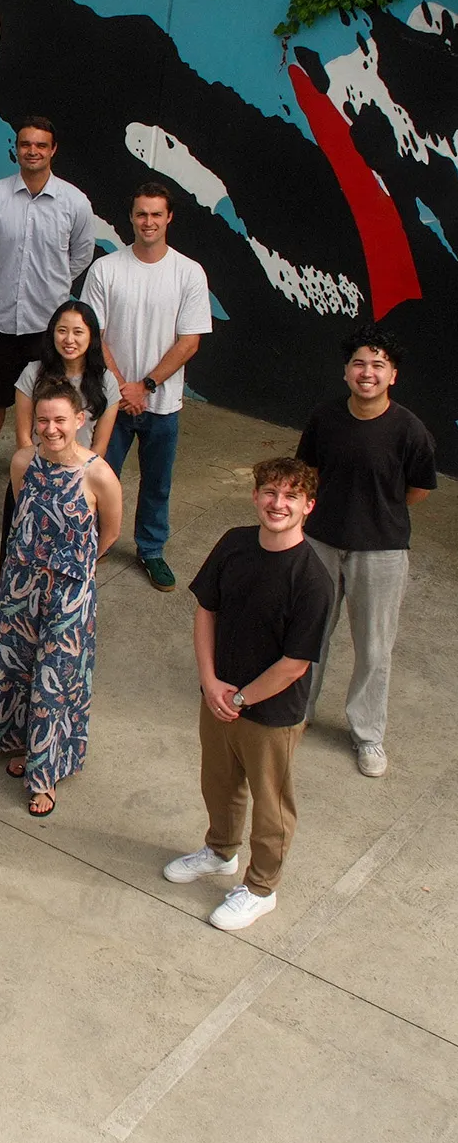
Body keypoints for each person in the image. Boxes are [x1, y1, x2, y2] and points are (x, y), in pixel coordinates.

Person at [164, 457, 335, 932]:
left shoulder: (313, 580)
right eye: (270, 492)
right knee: (218, 783)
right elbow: (206, 609)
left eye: (291, 496)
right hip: (219, 696)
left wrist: (239, 700)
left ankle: (261, 889)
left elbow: (294, 664)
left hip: (270, 713)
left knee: (271, 805)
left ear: (308, 506)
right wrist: (210, 681)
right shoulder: (234, 543)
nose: (278, 504)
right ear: (256, 496)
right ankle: (220, 852)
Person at [0, 379, 121, 816]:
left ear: (80, 420)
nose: (51, 429)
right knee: (17, 669)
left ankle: (46, 776)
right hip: (21, 585)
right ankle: (22, 744)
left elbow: (110, 532)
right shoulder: (23, 462)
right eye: (43, 420)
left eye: (60, 420)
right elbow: (25, 514)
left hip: (69, 594)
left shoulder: (98, 474)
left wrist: (75, 568)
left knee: (54, 680)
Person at [295, 324, 437, 778]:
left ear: (393, 375)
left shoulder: (410, 431)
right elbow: (308, 474)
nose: (367, 372)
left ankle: (368, 735)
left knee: (375, 648)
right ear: (346, 371)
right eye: (359, 363)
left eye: (378, 365)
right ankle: (297, 711)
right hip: (320, 541)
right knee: (308, 633)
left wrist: (376, 514)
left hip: (382, 550)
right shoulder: (325, 418)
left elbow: (417, 490)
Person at [82, 181, 212, 593]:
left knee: (157, 484)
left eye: (157, 214)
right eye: (142, 214)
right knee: (100, 477)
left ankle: (151, 550)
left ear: (169, 217)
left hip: (163, 404)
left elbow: (189, 341)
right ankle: (92, 544)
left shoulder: (188, 272)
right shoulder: (106, 269)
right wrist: (122, 388)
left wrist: (146, 386)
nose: (148, 221)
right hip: (111, 402)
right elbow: (92, 334)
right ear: (131, 217)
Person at [0, 117, 95, 499]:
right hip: (0, 318)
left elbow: (80, 255)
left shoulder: (74, 202)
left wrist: (51, 284)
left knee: (49, 396)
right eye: (25, 144)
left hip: (47, 324)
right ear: (16, 148)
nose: (32, 151)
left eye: (40, 145)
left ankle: (43, 460)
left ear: (53, 150)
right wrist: (0, 281)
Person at [0, 298, 122, 574]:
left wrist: (74, 483)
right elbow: (24, 437)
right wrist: (40, 480)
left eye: (78, 332)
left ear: (91, 336)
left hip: (79, 486)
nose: (69, 339)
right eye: (62, 330)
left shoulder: (106, 382)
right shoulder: (33, 373)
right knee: (19, 563)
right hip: (34, 476)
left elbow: (100, 445)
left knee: (68, 570)